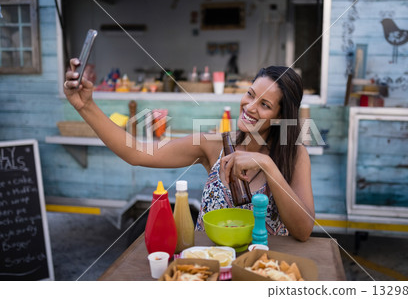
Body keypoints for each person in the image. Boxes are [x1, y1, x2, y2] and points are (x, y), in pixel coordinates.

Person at [64, 60, 315, 241]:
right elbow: (137, 152)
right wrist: (86, 106)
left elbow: (303, 231)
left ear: (281, 117)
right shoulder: (213, 144)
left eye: (265, 105)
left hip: (262, 272)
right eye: (250, 95)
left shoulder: (294, 155)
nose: (249, 107)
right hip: (209, 269)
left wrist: (267, 165)